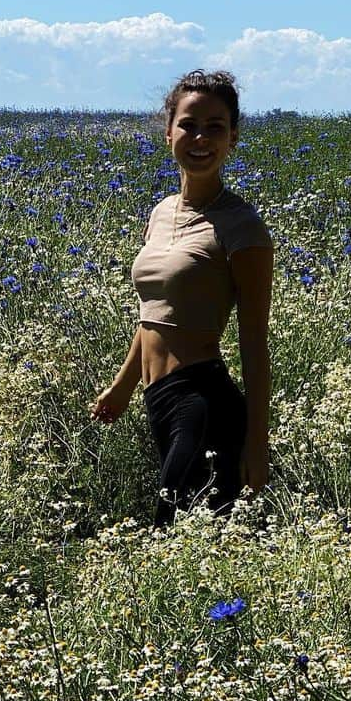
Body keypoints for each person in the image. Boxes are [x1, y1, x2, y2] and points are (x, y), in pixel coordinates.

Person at [89, 70, 274, 526]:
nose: (200, 138)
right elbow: (153, 316)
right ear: (169, 130)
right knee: (195, 537)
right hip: (160, 398)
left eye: (215, 127)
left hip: (203, 400)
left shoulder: (242, 227)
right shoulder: (161, 211)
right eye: (189, 124)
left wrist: (257, 445)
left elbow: (254, 341)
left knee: (171, 528)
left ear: (232, 138)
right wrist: (124, 385)